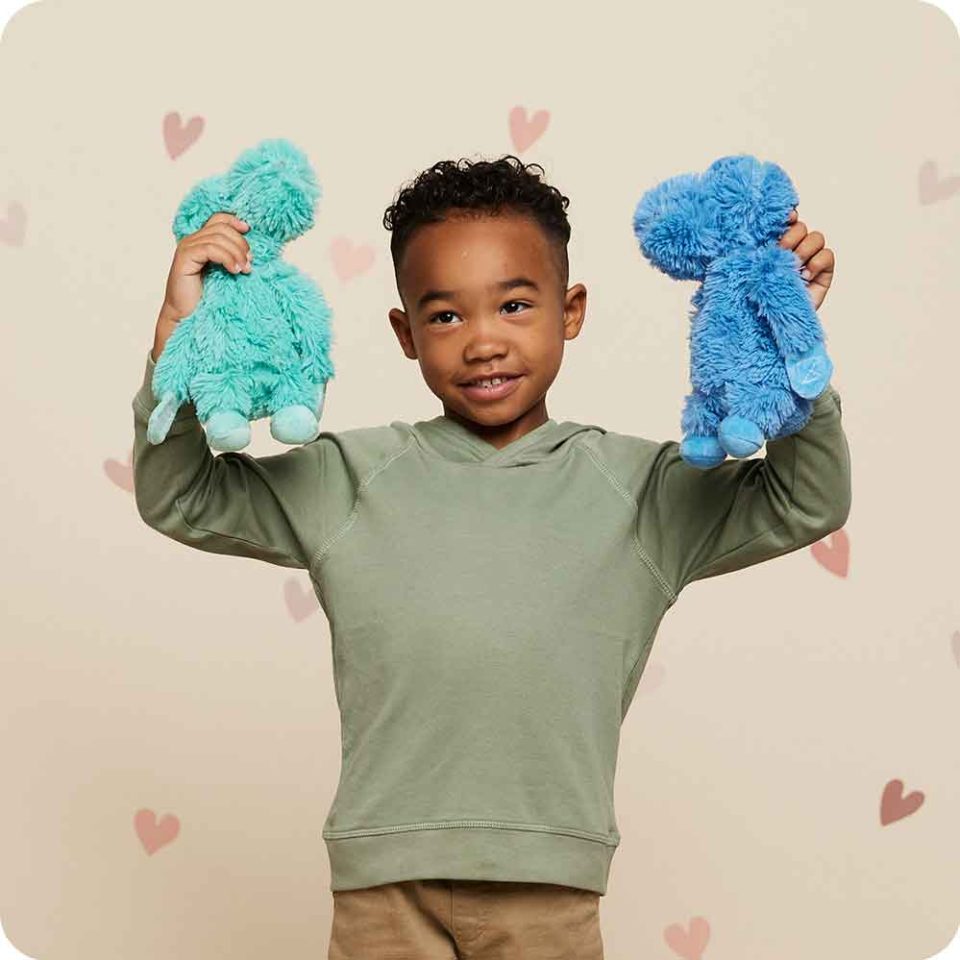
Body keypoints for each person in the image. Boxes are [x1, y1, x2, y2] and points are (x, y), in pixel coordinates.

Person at [131, 155, 849, 959]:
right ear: (405, 333)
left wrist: (790, 345)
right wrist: (177, 335)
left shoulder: (642, 491)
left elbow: (805, 500)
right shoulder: (350, 478)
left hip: (551, 892)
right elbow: (180, 495)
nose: (482, 342)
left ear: (570, 311)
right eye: (444, 316)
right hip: (383, 891)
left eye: (514, 305)